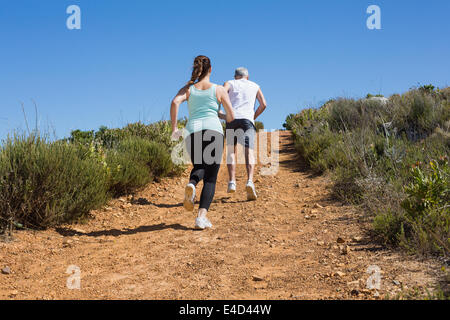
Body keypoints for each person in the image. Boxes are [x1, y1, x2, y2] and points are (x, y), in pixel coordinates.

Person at [170, 55, 235, 230]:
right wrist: (222, 116)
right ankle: (201, 218)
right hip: (213, 130)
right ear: (211, 69)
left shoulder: (189, 89)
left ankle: (192, 184)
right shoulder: (219, 89)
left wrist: (174, 129)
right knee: (211, 178)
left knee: (199, 166)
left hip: (192, 132)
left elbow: (175, 102)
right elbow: (231, 115)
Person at [220, 67, 267, 200]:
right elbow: (263, 104)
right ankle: (250, 181)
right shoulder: (255, 85)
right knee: (249, 151)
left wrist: (223, 114)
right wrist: (253, 117)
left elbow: (221, 96)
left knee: (231, 151)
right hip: (247, 120)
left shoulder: (229, 83)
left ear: (235, 76)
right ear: (248, 76)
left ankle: (232, 182)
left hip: (232, 119)